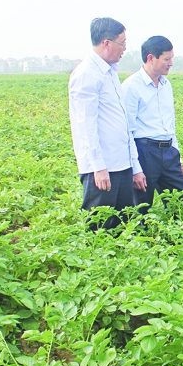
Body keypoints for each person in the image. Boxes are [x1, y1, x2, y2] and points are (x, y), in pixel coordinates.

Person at [68, 17, 145, 229]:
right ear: (106, 43)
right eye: (122, 43)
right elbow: (86, 126)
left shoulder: (110, 72)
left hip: (121, 163)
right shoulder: (87, 75)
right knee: (100, 228)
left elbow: (122, 122)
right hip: (101, 169)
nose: (125, 49)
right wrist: (99, 168)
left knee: (123, 225)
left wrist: (134, 165)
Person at [122, 35, 183, 214]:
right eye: (167, 58)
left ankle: (179, 239)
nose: (171, 63)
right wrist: (135, 168)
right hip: (145, 151)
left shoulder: (167, 85)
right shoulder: (131, 87)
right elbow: (127, 131)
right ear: (151, 58)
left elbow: (170, 125)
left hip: (168, 151)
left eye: (171, 58)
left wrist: (178, 157)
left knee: (182, 204)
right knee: (141, 206)